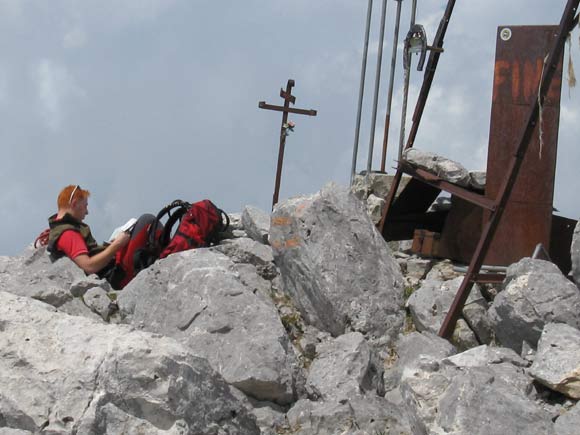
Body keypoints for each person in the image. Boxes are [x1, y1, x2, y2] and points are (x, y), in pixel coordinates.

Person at [47, 185, 157, 288]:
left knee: (145, 224)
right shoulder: (68, 234)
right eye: (85, 206)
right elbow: (89, 266)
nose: (87, 212)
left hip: (113, 270)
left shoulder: (63, 229)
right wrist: (117, 245)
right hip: (116, 276)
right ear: (75, 204)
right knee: (147, 221)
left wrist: (112, 245)